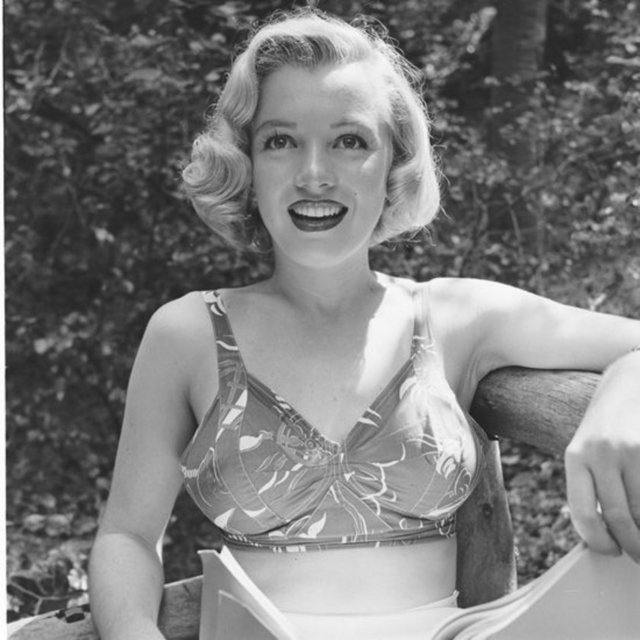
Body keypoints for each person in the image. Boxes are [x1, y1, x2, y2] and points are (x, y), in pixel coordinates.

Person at [88, 9, 640, 640]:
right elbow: (127, 536)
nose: (314, 174)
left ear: (394, 162)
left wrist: (621, 396)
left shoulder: (456, 317)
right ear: (247, 162)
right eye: (281, 141)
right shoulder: (188, 333)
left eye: (349, 141)